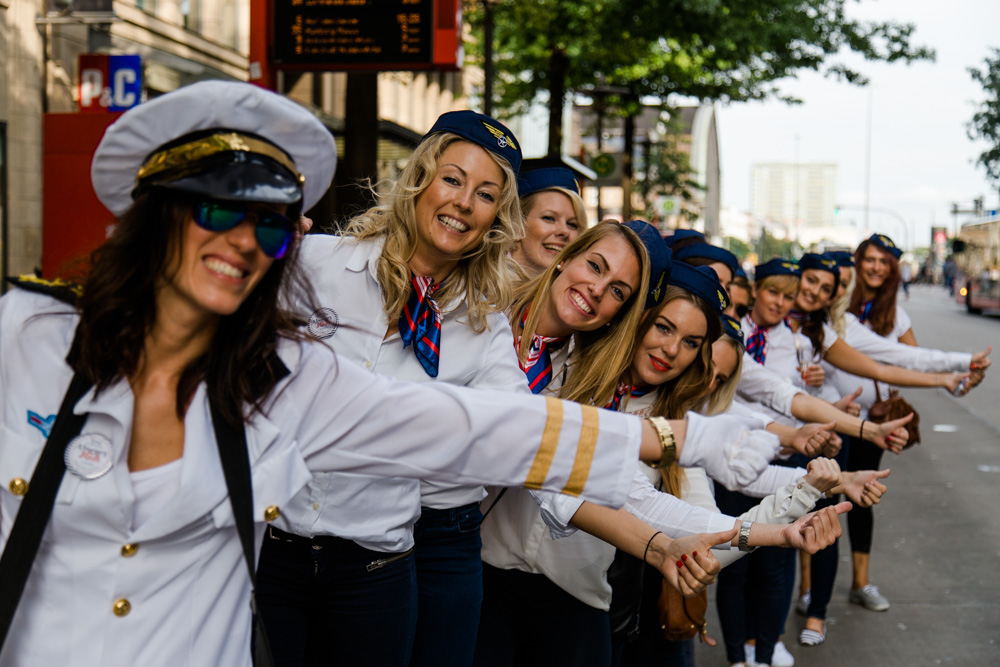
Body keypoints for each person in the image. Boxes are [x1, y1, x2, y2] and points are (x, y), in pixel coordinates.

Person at [0, 81, 685, 667]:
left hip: (377, 562)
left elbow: (494, 432)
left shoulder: (464, 329)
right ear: (420, 180)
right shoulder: (313, 267)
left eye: (268, 227)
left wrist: (677, 463)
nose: (243, 244)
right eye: (215, 210)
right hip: (278, 545)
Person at [256, 109, 529, 667]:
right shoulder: (314, 262)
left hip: (375, 575)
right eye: (452, 179)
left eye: (484, 194)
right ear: (420, 179)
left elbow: (524, 434)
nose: (462, 201)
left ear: (494, 218)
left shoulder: (482, 327)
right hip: (270, 554)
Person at [511, 167, 588, 277]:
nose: (564, 231)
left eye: (572, 224)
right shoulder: (482, 284)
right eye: (549, 218)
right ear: (517, 223)